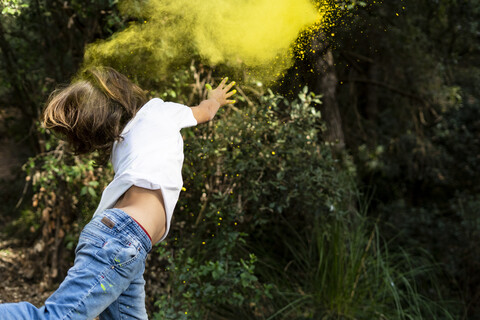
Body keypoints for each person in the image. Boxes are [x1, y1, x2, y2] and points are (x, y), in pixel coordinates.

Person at [0, 66, 236, 319]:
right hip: (122, 239)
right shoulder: (158, 110)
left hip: (123, 242)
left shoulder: (120, 143)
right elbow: (205, 113)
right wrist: (215, 99)